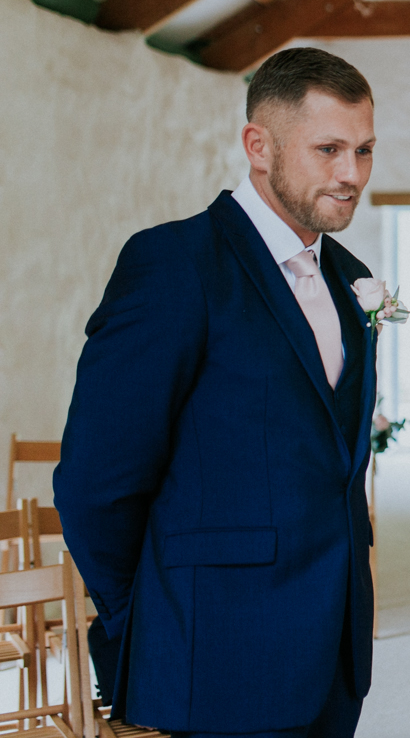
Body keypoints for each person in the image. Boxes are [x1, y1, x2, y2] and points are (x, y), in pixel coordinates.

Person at [54, 49, 381, 738]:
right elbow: (95, 481)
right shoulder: (175, 265)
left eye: (364, 150)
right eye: (328, 149)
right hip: (213, 656)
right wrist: (137, 622)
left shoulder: (352, 278)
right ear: (257, 146)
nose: (351, 174)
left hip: (333, 656)